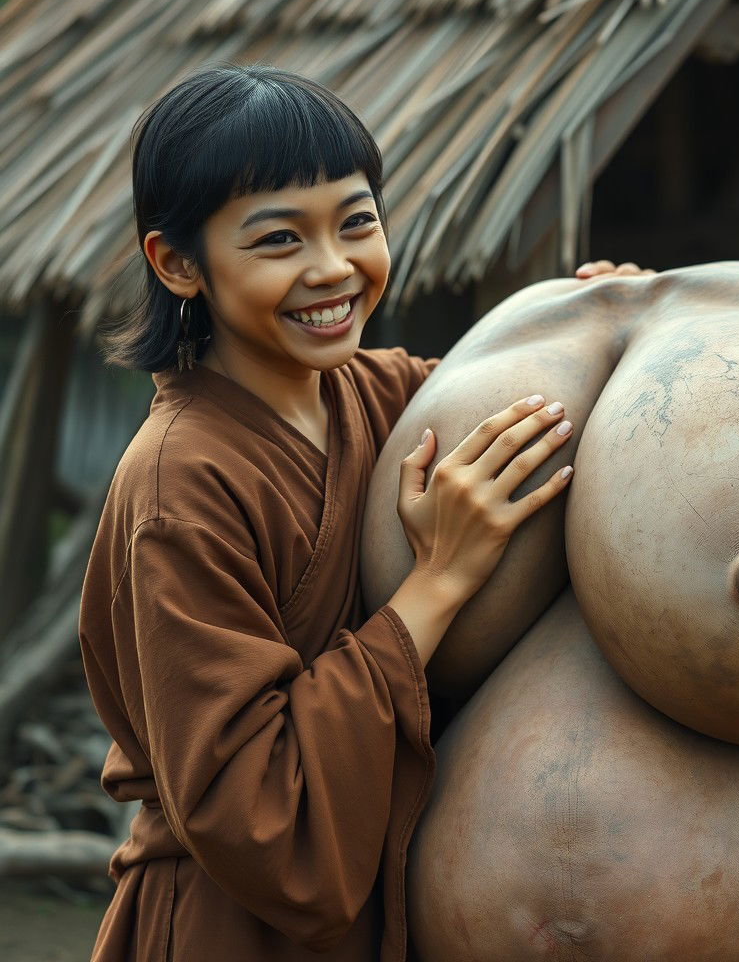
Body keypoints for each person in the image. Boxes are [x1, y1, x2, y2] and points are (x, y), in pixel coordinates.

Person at [78, 62, 642, 961]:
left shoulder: (388, 397)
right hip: (232, 925)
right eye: (277, 241)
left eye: (356, 223)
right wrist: (439, 582)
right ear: (178, 263)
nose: (332, 268)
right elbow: (252, 807)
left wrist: (605, 333)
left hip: (396, 901)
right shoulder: (178, 486)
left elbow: (546, 429)